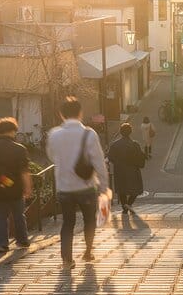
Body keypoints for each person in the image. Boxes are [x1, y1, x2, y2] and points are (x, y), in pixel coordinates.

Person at [47, 97, 109, 269]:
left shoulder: (54, 134)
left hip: (64, 187)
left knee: (67, 222)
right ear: (81, 113)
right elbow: (99, 162)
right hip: (86, 186)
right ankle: (88, 252)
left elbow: (51, 156)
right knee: (89, 220)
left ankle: (67, 259)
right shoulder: (89, 134)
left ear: (61, 114)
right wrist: (104, 186)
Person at [0, 117, 31, 253]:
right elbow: (24, 171)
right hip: (16, 188)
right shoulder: (19, 149)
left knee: (1, 217)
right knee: (19, 215)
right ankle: (22, 241)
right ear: (12, 131)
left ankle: (2, 245)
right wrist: (28, 188)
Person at [107, 123, 146, 214]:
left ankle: (125, 206)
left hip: (119, 170)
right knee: (136, 189)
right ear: (130, 132)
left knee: (122, 189)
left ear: (120, 132)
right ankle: (128, 204)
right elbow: (140, 157)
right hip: (133, 170)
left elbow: (110, 157)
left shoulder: (115, 145)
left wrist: (116, 162)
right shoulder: (135, 144)